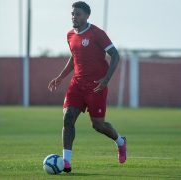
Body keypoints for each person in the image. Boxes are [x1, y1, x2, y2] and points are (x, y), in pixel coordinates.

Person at [48, 1, 127, 173]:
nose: (74, 17)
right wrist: (61, 77)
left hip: (96, 86)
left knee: (97, 125)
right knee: (68, 118)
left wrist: (106, 80)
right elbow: (74, 57)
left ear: (87, 16)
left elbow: (115, 55)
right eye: (72, 14)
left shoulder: (97, 33)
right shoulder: (70, 35)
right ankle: (66, 162)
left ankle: (120, 141)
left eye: (78, 14)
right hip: (76, 85)